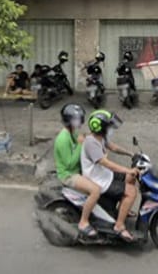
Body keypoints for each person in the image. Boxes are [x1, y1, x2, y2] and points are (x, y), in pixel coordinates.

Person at [81, 109, 138, 242]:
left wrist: (131, 153)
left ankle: (122, 209)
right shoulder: (91, 143)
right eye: (109, 126)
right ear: (100, 127)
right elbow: (106, 163)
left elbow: (113, 147)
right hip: (96, 180)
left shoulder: (100, 137)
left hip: (104, 174)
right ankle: (119, 226)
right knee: (132, 191)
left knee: (131, 178)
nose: (111, 129)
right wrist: (127, 170)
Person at [53, 103, 100, 238]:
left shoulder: (72, 132)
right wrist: (80, 144)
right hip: (68, 175)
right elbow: (69, 163)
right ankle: (83, 222)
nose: (79, 122)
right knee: (95, 191)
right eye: (76, 119)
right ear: (68, 121)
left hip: (77, 170)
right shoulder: (63, 138)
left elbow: (82, 141)